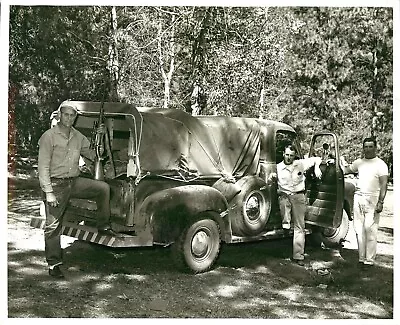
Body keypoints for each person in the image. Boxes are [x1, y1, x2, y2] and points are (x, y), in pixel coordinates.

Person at [38, 101, 121, 279]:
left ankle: (103, 226)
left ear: (75, 118)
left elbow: (96, 155)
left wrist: (101, 138)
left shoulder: (78, 136)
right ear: (60, 115)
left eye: (72, 115)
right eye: (66, 115)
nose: (69, 118)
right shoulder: (49, 136)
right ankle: (54, 264)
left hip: (73, 182)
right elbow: (43, 167)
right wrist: (49, 192)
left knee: (103, 188)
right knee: (53, 226)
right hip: (56, 185)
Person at [341, 137, 388, 267]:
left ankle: (370, 260)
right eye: (365, 147)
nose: (367, 149)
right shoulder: (359, 162)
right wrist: (334, 162)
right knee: (358, 229)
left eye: (370, 147)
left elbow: (384, 184)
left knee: (370, 229)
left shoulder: (381, 165)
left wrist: (381, 202)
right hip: (359, 197)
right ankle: (361, 258)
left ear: (375, 148)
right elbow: (346, 170)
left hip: (372, 198)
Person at [273, 145, 322, 266]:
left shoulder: (300, 164)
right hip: (284, 196)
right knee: (283, 202)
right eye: (287, 154)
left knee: (300, 226)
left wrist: (317, 168)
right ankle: (286, 223)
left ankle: (298, 255)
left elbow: (317, 159)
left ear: (294, 156)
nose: (289, 157)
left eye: (291, 155)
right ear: (283, 154)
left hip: (298, 196)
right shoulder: (278, 168)